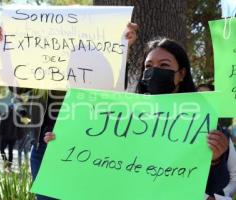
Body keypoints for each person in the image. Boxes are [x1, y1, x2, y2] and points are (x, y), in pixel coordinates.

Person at [44, 37, 231, 199]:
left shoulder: (202, 121)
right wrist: (63, 141)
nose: (154, 70)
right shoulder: (122, 115)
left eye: (164, 65)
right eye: (148, 66)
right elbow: (96, 157)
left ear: (181, 74)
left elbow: (219, 185)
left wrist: (215, 159)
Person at [0, 22, 137, 200]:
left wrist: (123, 48)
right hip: (46, 148)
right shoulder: (45, 66)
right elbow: (17, 88)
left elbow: (115, 90)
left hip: (88, 150)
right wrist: (3, 49)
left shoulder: (97, 64)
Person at [197, 84, 236, 198]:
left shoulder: (223, 136)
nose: (204, 102)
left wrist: (219, 196)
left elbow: (234, 175)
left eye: (209, 98)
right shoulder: (179, 134)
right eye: (199, 97)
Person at [0, 104, 26, 171]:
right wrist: (19, 136)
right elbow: (21, 128)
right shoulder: (17, 116)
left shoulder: (5, 115)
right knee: (10, 151)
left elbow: (1, 126)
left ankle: (6, 162)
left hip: (5, 136)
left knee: (2, 149)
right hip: (13, 137)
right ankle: (9, 165)